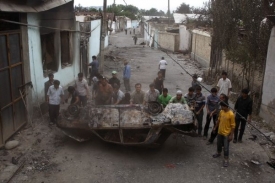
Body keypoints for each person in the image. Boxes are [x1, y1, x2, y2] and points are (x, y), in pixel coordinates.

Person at [212, 101, 235, 167]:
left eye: (222, 106)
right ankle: (218, 152)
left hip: (226, 134)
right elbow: (218, 120)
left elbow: (233, 126)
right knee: (218, 144)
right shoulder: (221, 112)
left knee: (226, 147)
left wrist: (231, 135)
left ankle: (226, 159)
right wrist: (215, 128)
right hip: (220, 131)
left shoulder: (231, 114)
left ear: (226, 106)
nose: (221, 107)